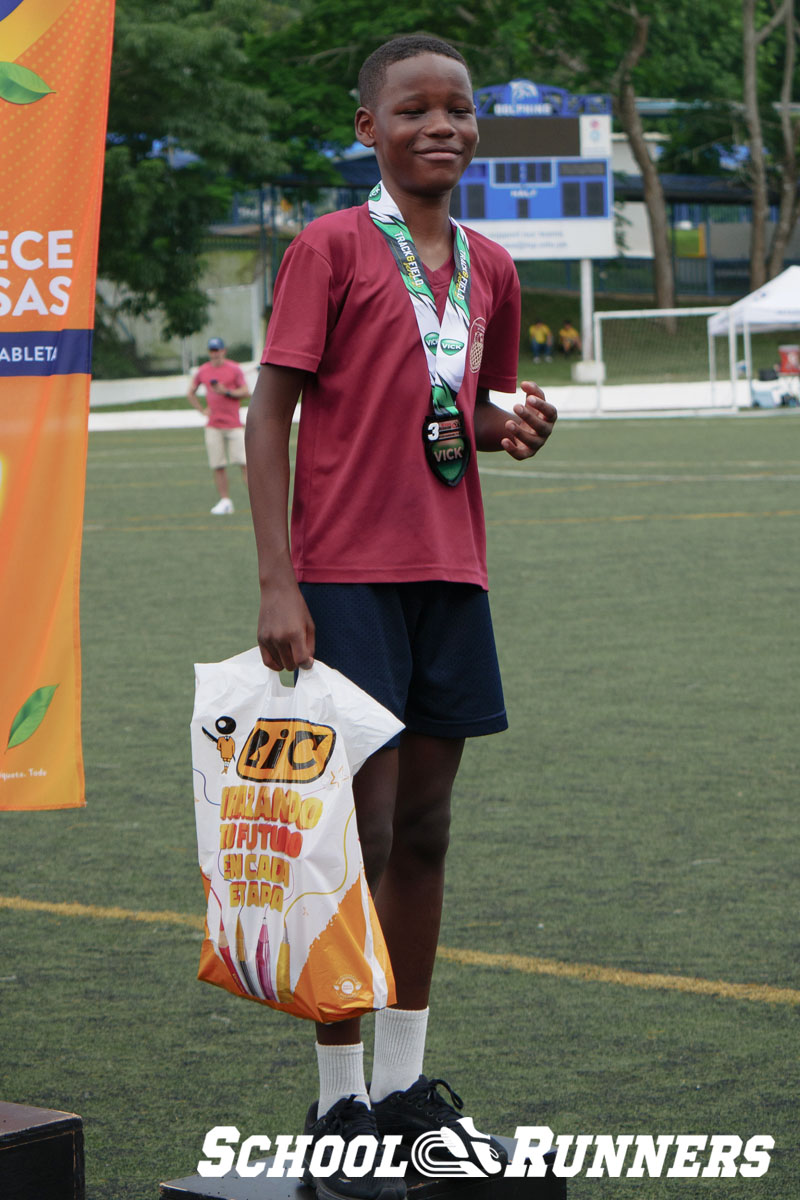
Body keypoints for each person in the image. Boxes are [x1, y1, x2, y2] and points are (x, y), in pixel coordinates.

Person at [245, 34, 557, 1200]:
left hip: (449, 577)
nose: (443, 126)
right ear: (367, 127)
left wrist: (511, 426)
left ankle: (405, 1091)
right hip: (341, 581)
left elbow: (466, 410)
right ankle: (335, 1105)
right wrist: (279, 583)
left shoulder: (491, 264)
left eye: (460, 110)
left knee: (423, 833)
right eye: (415, 109)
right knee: (353, 839)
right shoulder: (327, 245)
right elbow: (271, 408)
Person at [187, 337, 250, 514]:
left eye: (218, 350)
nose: (215, 354)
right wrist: (201, 410)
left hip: (234, 424)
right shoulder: (203, 371)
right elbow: (190, 392)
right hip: (213, 425)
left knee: (244, 464)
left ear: (224, 350)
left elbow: (246, 391)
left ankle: (256, 501)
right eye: (212, 351)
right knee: (218, 465)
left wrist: (227, 391)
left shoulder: (234, 369)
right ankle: (225, 501)